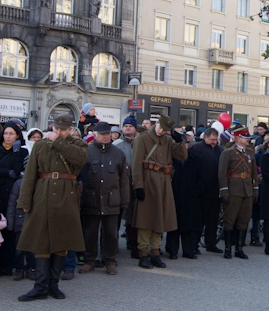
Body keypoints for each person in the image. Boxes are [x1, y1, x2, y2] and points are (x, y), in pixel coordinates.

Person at [16, 114, 89, 301]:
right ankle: (40, 286)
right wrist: (24, 201)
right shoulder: (40, 145)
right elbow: (30, 174)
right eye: (56, 129)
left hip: (66, 195)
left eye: (63, 130)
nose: (58, 132)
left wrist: (59, 142)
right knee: (41, 241)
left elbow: (79, 159)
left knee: (61, 242)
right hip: (43, 194)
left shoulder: (79, 145)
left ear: (70, 129)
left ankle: (53, 285)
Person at [131, 114, 187, 268]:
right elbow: (136, 164)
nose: (161, 131)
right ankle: (143, 253)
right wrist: (138, 186)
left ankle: (155, 252)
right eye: (160, 127)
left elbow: (182, 156)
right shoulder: (142, 139)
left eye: (165, 130)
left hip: (164, 183)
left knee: (160, 218)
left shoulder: (168, 140)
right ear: (156, 123)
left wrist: (179, 141)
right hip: (148, 182)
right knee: (145, 219)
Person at [78, 122, 129, 274]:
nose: (105, 137)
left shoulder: (118, 153)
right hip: (91, 199)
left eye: (107, 134)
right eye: (102, 134)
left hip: (111, 200)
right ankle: (89, 261)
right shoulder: (86, 151)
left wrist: (125, 200)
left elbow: (124, 179)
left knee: (111, 234)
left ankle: (110, 261)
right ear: (95, 135)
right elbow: (81, 177)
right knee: (90, 233)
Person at [0, 121, 28, 277]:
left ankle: (9, 265)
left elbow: (18, 170)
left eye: (11, 134)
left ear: (17, 135)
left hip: (12, 193)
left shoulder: (22, 151)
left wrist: (16, 152)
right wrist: (6, 172)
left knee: (10, 228)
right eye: (6, 133)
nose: (8, 136)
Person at [218, 124, 258, 260]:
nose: (248, 139)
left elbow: (254, 173)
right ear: (238, 138)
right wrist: (224, 192)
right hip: (233, 190)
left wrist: (255, 190)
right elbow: (222, 173)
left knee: (244, 219)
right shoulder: (228, 153)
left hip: (247, 190)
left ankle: (239, 248)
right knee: (229, 219)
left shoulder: (250, 152)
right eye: (245, 137)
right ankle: (228, 248)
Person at [190, 128, 224, 253]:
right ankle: (194, 245)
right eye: (212, 139)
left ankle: (211, 243)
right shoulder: (196, 148)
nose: (214, 142)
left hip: (215, 190)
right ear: (205, 138)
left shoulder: (220, 150)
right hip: (201, 191)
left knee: (213, 220)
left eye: (216, 139)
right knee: (200, 220)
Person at [114, 115, 139, 257]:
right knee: (118, 214)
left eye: (130, 126)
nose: (128, 128)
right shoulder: (117, 144)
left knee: (134, 214)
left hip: (136, 182)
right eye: (125, 126)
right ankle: (113, 244)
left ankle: (132, 241)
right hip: (121, 183)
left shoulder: (140, 143)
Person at [6, 177, 34, 281]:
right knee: (19, 249)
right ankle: (19, 269)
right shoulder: (18, 183)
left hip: (34, 221)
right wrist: (10, 223)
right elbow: (12, 204)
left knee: (32, 249)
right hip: (20, 221)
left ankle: (31, 268)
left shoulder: (38, 182)